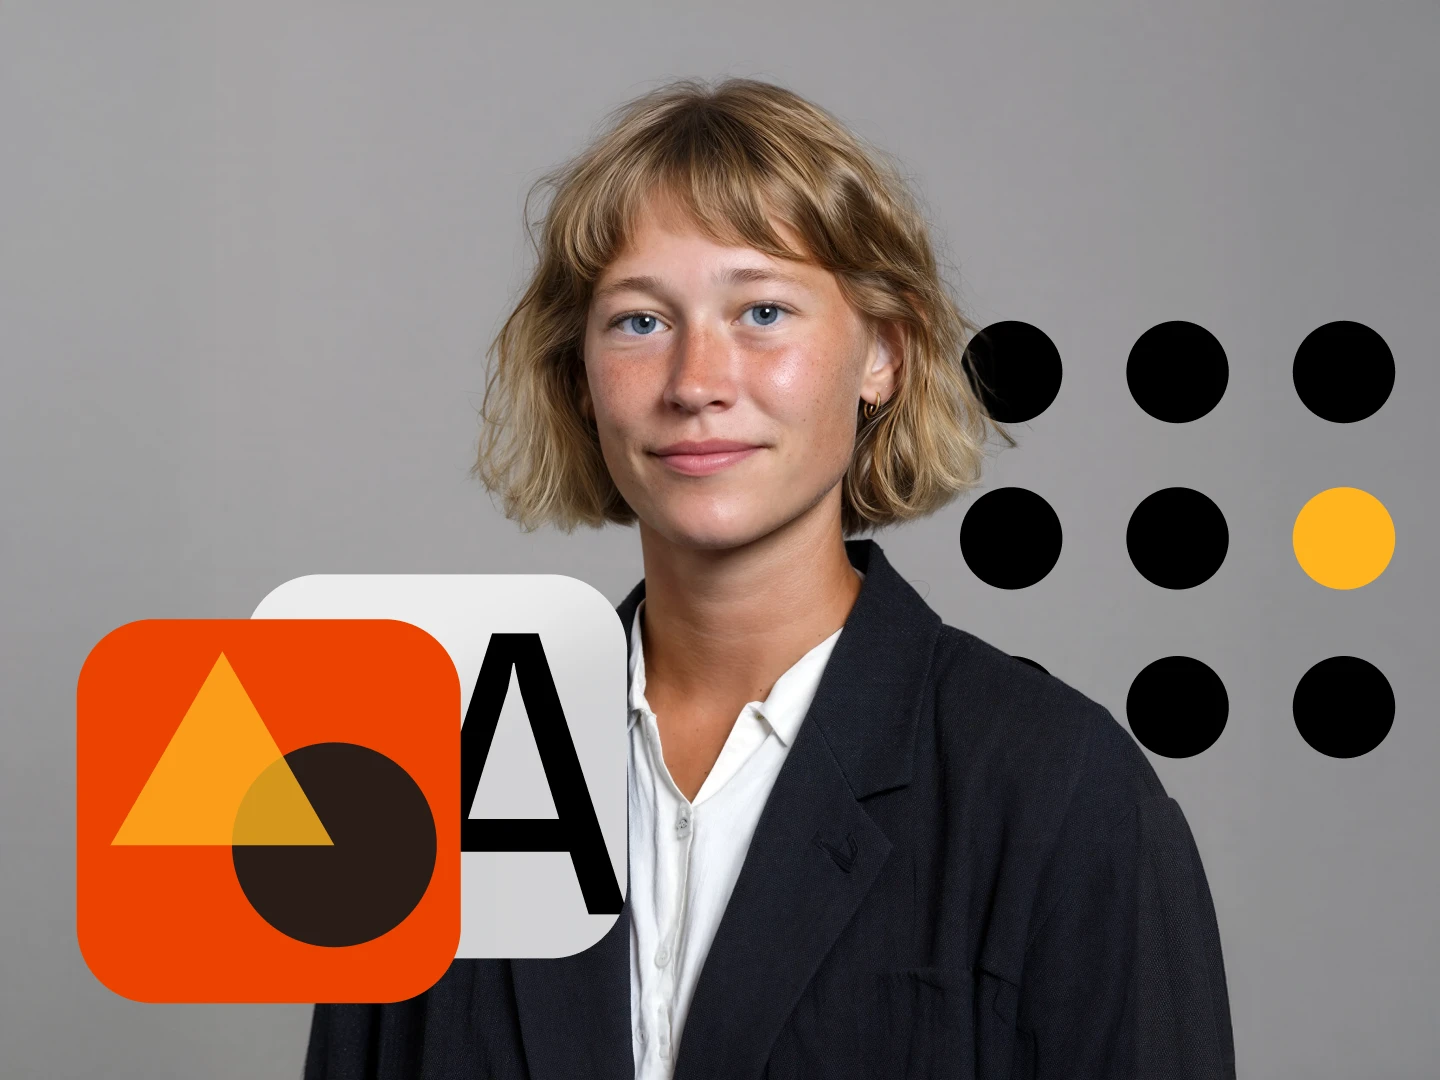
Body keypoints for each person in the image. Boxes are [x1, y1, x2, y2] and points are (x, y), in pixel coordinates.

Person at [304, 76, 1235, 1080]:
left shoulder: (1058, 789)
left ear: (884, 350)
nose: (698, 381)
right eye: (639, 322)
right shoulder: (436, 790)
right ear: (578, 375)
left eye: (762, 310)